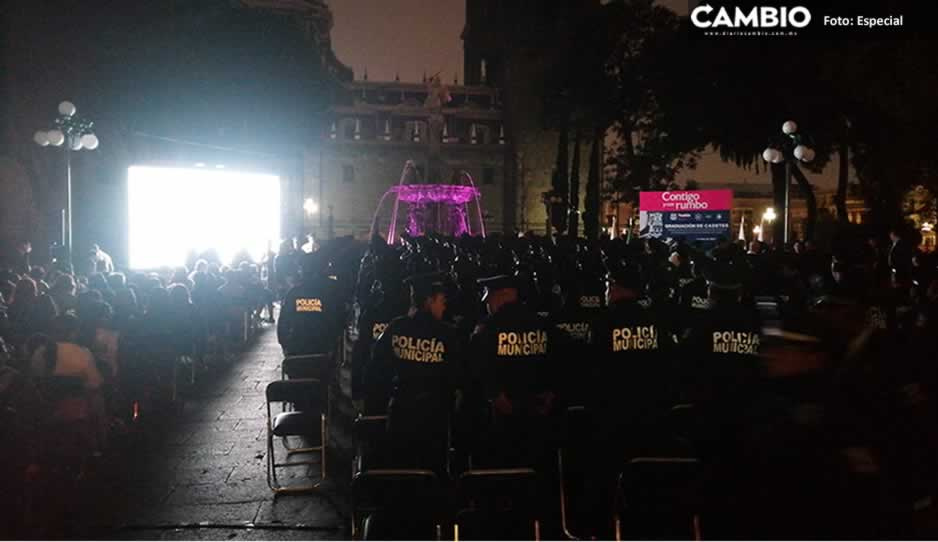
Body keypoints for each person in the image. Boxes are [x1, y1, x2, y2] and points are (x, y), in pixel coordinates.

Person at [366, 271, 462, 472]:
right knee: (432, 469)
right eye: (441, 300)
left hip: (401, 410)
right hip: (435, 416)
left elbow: (376, 367)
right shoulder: (448, 333)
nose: (444, 306)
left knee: (401, 467)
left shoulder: (396, 327)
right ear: (429, 301)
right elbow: (458, 374)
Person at [467, 272, 559, 468]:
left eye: (490, 297)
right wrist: (550, 393)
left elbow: (477, 368)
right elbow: (559, 360)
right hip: (539, 412)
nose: (487, 303)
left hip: (501, 416)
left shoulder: (487, 328)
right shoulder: (542, 324)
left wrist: (495, 396)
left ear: (504, 295)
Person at [277, 252, 343, 356]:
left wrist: (286, 346)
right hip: (324, 350)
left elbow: (283, 323)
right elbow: (340, 321)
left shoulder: (293, 293)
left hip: (296, 350)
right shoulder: (332, 292)